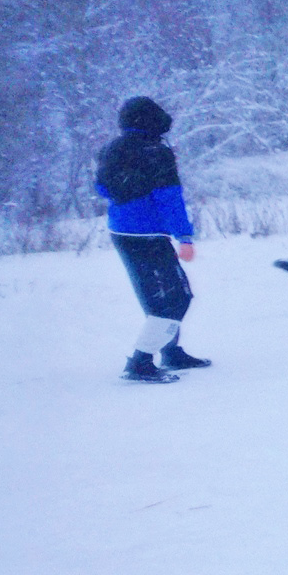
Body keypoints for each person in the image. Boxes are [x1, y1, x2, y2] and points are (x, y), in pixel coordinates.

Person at [95, 96, 207, 383]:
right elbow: (170, 197)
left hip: (121, 231)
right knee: (177, 297)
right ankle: (140, 362)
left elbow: (102, 188)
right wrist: (184, 236)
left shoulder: (111, 149)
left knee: (155, 296)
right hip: (148, 234)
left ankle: (170, 352)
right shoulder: (156, 152)